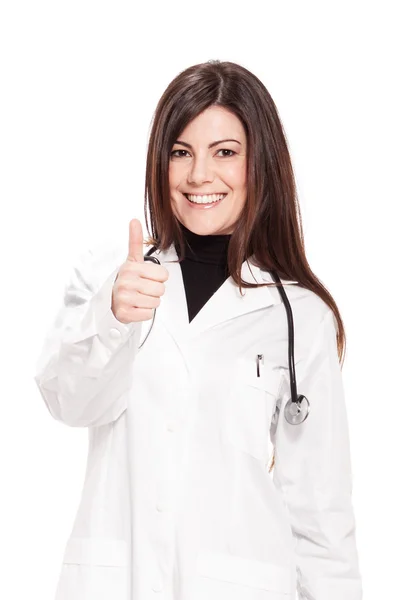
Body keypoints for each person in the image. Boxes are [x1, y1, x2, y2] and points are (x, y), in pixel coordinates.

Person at [34, 59, 363, 600]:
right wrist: (112, 319)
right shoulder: (112, 276)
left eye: (225, 152)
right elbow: (66, 402)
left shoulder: (299, 315)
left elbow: (320, 512)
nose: (198, 176)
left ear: (261, 163)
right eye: (180, 152)